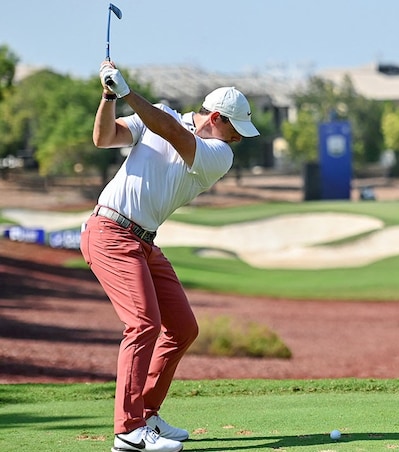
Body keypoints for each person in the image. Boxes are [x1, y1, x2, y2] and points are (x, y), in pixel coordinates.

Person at [81, 61, 259, 452]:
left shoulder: (218, 154)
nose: (239, 140)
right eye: (235, 130)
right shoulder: (158, 117)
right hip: (110, 231)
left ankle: (146, 414)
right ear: (215, 118)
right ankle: (128, 432)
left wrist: (129, 93)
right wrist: (110, 97)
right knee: (144, 325)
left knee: (182, 328)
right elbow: (104, 137)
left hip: (143, 241)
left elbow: (174, 133)